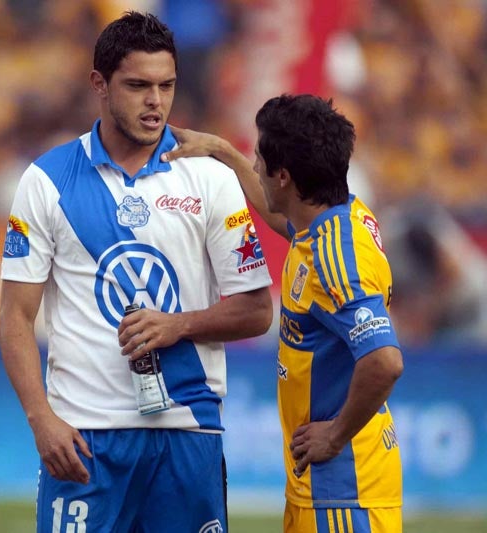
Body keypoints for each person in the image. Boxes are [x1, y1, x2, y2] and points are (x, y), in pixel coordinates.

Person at [0, 11, 273, 533]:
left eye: (166, 86)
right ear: (99, 84)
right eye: (138, 86)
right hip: (85, 437)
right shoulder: (46, 180)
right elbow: (14, 317)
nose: (155, 102)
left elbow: (257, 310)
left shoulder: (209, 178)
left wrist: (179, 325)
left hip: (188, 430)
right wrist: (41, 420)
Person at [163, 94, 404, 532]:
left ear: (284, 177)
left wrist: (335, 436)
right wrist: (222, 151)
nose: (255, 165)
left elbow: (385, 361)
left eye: (259, 158)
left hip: (345, 491)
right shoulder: (333, 217)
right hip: (319, 485)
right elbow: (281, 218)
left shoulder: (334, 260)